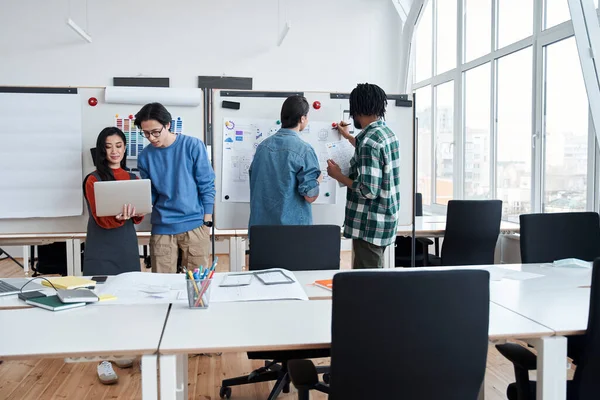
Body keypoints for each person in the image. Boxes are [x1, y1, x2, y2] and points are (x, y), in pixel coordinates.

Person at [82, 127, 145, 384]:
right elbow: (100, 217)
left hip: (127, 244)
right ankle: (102, 360)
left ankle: (118, 349)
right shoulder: (93, 179)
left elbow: (139, 214)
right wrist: (120, 217)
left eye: (119, 145)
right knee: (100, 302)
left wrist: (132, 214)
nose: (115, 151)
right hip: (102, 245)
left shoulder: (132, 177)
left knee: (126, 298)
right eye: (109, 146)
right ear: (102, 149)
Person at [326, 83, 401, 269]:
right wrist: (348, 136)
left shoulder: (369, 142)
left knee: (368, 284)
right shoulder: (386, 133)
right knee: (371, 280)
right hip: (384, 220)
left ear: (357, 109)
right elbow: (368, 149)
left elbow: (368, 190)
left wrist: (338, 176)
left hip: (369, 225)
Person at [136, 102, 215, 273]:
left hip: (195, 225)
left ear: (168, 125)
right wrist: (141, 206)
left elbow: (207, 184)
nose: (151, 137)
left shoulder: (193, 146)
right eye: (146, 133)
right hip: (162, 228)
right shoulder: (145, 157)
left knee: (197, 286)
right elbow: (152, 192)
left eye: (155, 132)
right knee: (162, 287)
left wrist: (207, 222)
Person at [249, 95, 322, 227]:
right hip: (291, 233)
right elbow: (310, 196)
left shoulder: (262, 147)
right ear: (302, 118)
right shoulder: (304, 150)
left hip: (261, 232)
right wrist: (318, 180)